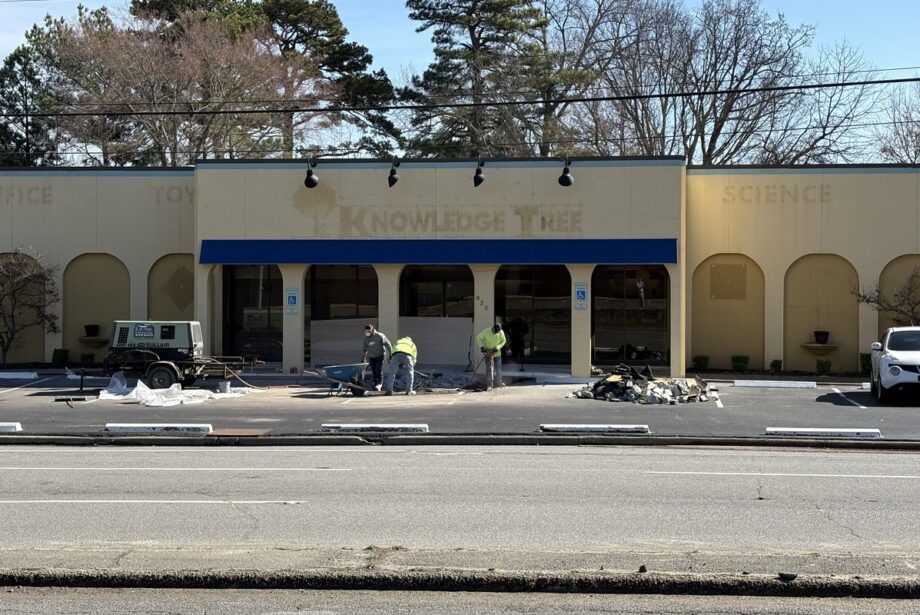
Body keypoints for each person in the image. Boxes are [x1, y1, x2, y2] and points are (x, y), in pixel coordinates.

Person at [476, 323, 506, 390]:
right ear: (493, 328)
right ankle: (489, 385)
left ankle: (499, 383)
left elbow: (504, 341)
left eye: (497, 332)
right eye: (495, 331)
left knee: (498, 369)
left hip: (497, 353)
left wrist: (498, 347)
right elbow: (478, 338)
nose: (496, 333)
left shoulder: (501, 332)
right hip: (488, 353)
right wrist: (482, 347)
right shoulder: (486, 331)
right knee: (489, 369)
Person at [362, 324, 391, 391]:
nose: (367, 332)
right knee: (374, 371)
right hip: (372, 357)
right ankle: (375, 384)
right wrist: (363, 357)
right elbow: (365, 349)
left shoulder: (379, 336)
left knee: (378, 369)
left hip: (380, 355)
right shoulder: (366, 339)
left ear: (372, 330)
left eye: (368, 331)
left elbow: (388, 344)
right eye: (366, 331)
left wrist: (390, 354)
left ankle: (379, 384)